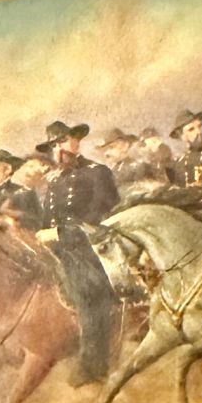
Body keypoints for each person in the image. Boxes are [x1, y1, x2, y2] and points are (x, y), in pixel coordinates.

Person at [34, 120, 119, 382]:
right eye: (54, 146)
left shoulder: (97, 172)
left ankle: (93, 367)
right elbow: (47, 220)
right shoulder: (53, 180)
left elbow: (102, 215)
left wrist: (62, 234)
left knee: (87, 290)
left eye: (63, 142)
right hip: (55, 247)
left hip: (89, 246)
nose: (59, 149)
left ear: (76, 141)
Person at [169, 108, 202, 188]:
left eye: (199, 126)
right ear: (182, 137)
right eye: (191, 129)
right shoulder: (180, 165)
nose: (199, 131)